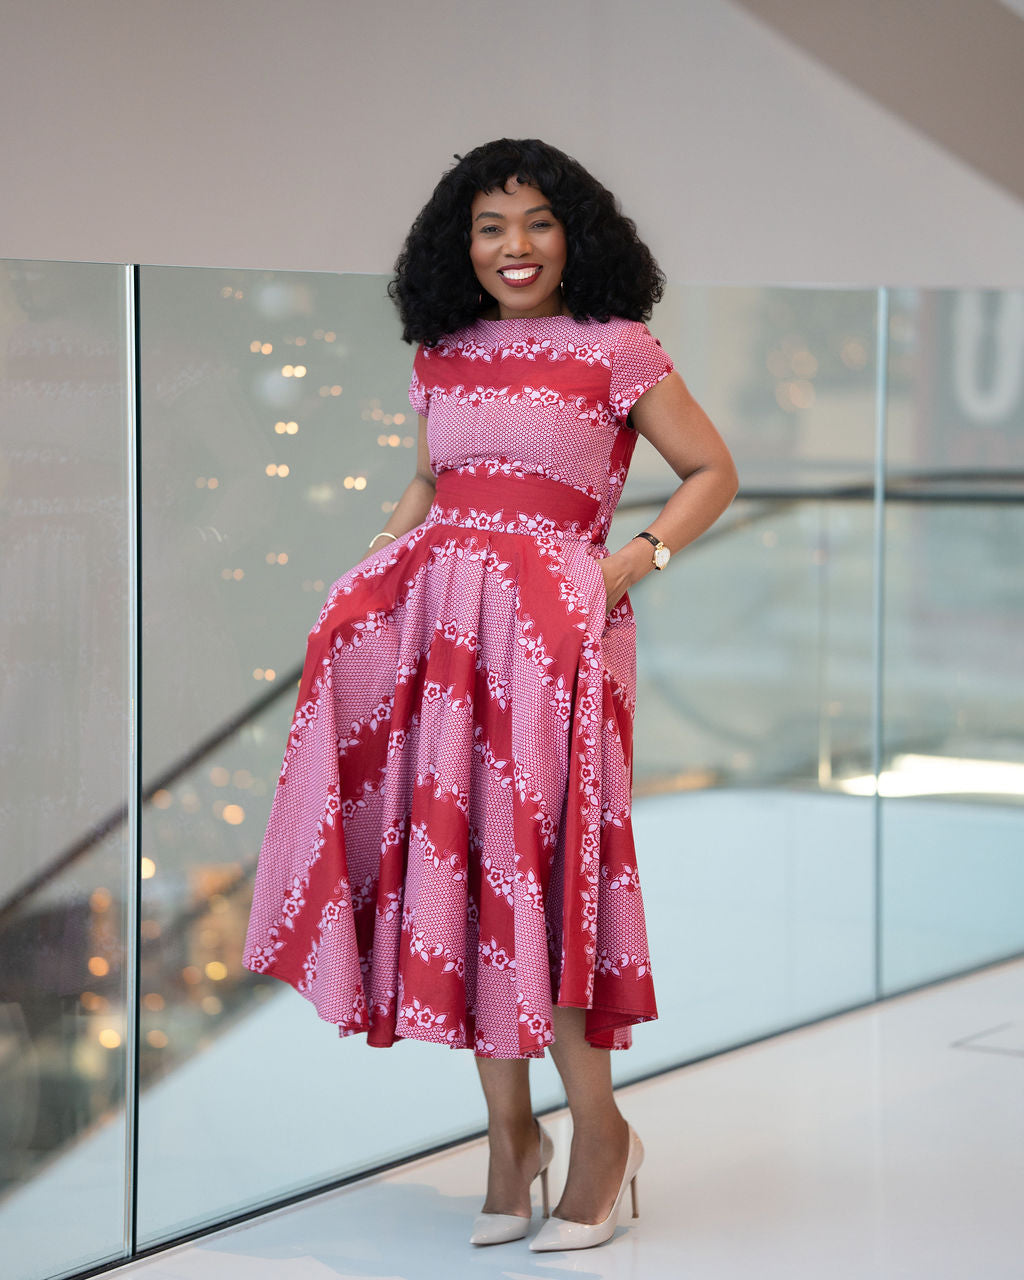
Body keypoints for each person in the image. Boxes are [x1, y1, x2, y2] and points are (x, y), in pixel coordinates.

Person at [242, 137, 738, 1252]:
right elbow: (434, 480)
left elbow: (712, 472)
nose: (514, 248)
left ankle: (600, 1133)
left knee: (543, 879)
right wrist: (373, 565)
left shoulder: (617, 349)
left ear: (577, 233)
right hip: (444, 636)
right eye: (489, 228)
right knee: (464, 880)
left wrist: (627, 561)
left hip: (557, 641)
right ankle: (510, 1140)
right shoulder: (439, 350)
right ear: (457, 247)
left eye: (536, 223)